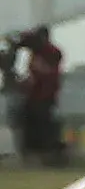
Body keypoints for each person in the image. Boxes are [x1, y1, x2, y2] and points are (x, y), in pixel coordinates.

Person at [10, 26, 62, 166]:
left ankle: (46, 155)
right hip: (34, 96)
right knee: (28, 124)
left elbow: (45, 72)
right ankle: (32, 154)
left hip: (45, 96)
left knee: (42, 126)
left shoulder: (51, 52)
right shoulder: (36, 52)